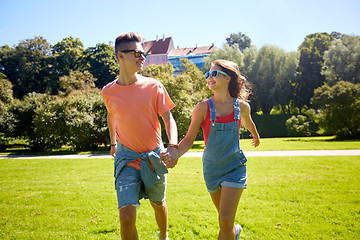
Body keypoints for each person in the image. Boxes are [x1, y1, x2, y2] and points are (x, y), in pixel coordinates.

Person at [163, 59, 260, 239]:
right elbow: (189, 139)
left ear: (228, 78)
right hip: (211, 169)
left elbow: (248, 122)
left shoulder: (242, 107)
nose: (209, 78)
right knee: (226, 222)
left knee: (224, 220)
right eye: (208, 74)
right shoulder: (202, 108)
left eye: (214, 74)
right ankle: (234, 232)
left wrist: (255, 135)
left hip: (234, 167)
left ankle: (232, 229)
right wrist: (175, 152)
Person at [101, 32, 178, 240]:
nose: (142, 57)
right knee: (125, 217)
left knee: (158, 203)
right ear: (120, 56)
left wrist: (172, 145)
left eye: (143, 53)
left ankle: (164, 235)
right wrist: (113, 144)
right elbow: (111, 116)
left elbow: (168, 118)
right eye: (137, 53)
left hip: (154, 156)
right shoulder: (108, 92)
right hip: (126, 158)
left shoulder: (154, 86)